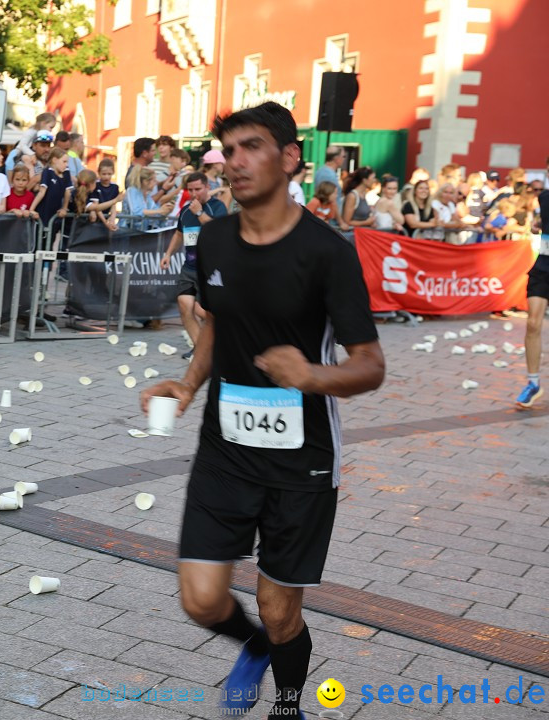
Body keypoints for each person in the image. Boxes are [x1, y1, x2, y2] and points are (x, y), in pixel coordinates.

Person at [140, 101, 384, 720]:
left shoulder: (327, 252)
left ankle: (289, 704)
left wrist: (311, 376)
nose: (234, 162)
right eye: (228, 150)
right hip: (224, 446)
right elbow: (219, 326)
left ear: (289, 157)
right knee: (199, 599)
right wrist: (190, 385)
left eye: (250, 147)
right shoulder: (217, 236)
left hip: (301, 459)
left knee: (281, 610)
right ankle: (250, 648)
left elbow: (370, 365)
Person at [161, 171, 227, 359]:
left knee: (203, 311)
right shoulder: (185, 210)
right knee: (184, 304)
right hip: (189, 268)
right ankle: (201, 350)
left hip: (211, 269)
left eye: (198, 189)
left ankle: (228, 335)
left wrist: (199, 212)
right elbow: (179, 234)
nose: (194, 193)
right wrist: (167, 254)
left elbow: (218, 232)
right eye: (190, 190)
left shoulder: (217, 207)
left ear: (207, 187)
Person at [516, 159, 549, 408]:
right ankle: (533, 383)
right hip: (543, 265)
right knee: (533, 322)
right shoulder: (545, 197)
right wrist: (539, 227)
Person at [30, 147, 74, 226]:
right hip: (43, 211)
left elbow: (68, 191)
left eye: (67, 162)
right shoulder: (48, 172)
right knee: (41, 235)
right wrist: (31, 209)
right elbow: (41, 192)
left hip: (55, 214)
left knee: (52, 234)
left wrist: (64, 208)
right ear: (54, 160)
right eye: (64, 162)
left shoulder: (66, 172)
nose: (66, 165)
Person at [340, 166, 376, 238]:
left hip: (362, 236)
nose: (374, 180)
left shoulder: (363, 195)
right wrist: (366, 222)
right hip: (353, 237)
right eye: (373, 178)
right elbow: (347, 221)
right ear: (364, 180)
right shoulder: (352, 196)